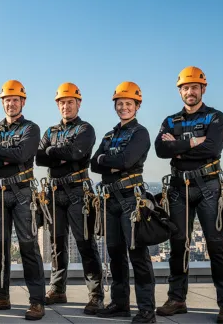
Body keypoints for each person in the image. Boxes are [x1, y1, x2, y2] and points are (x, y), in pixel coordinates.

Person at [155, 66, 223, 324]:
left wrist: (177, 147)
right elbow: (160, 149)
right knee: (178, 245)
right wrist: (193, 143)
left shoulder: (215, 117)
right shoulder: (170, 120)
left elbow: (213, 146)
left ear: (203, 89)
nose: (190, 92)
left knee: (217, 245)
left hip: (208, 187)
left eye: (194, 87)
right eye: (185, 88)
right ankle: (177, 298)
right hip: (179, 188)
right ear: (180, 91)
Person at [0, 80, 46, 320]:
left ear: (22, 102)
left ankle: (37, 301)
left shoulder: (31, 128)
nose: (11, 103)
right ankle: (1, 295)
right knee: (0, 248)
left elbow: (23, 154)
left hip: (22, 193)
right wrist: (4, 155)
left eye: (15, 99)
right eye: (7, 100)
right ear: (2, 102)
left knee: (28, 247)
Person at [36, 82, 104, 315]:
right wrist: (62, 154)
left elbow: (77, 153)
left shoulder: (86, 129)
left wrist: (54, 152)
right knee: (56, 243)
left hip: (78, 191)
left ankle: (95, 295)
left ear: (78, 103)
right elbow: (39, 158)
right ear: (58, 105)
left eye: (70, 102)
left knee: (85, 242)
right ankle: (57, 289)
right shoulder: (50, 131)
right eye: (62, 103)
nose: (66, 106)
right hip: (54, 192)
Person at [90, 82, 155, 323]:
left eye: (129, 104)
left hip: (130, 199)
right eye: (120, 104)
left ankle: (147, 309)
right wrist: (111, 160)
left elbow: (128, 160)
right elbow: (94, 164)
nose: (124, 107)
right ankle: (120, 303)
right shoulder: (109, 135)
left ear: (137, 106)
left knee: (138, 254)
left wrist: (108, 159)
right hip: (110, 199)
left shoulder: (140, 133)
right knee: (115, 253)